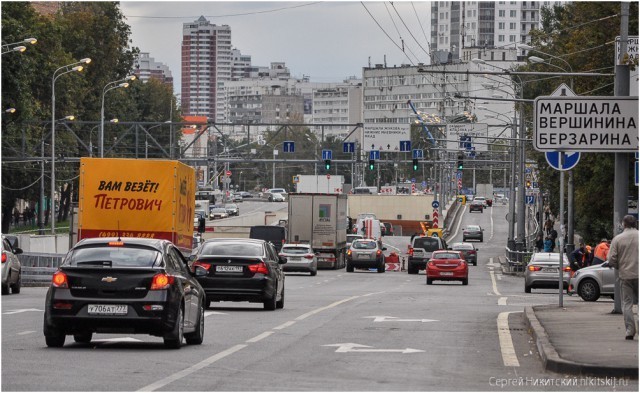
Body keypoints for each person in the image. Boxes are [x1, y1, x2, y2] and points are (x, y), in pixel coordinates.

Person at [608, 215, 639, 340]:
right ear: (636, 224)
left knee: (627, 304)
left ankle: (630, 331)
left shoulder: (618, 239)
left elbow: (611, 259)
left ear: (624, 224)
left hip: (625, 275)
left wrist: (618, 266)